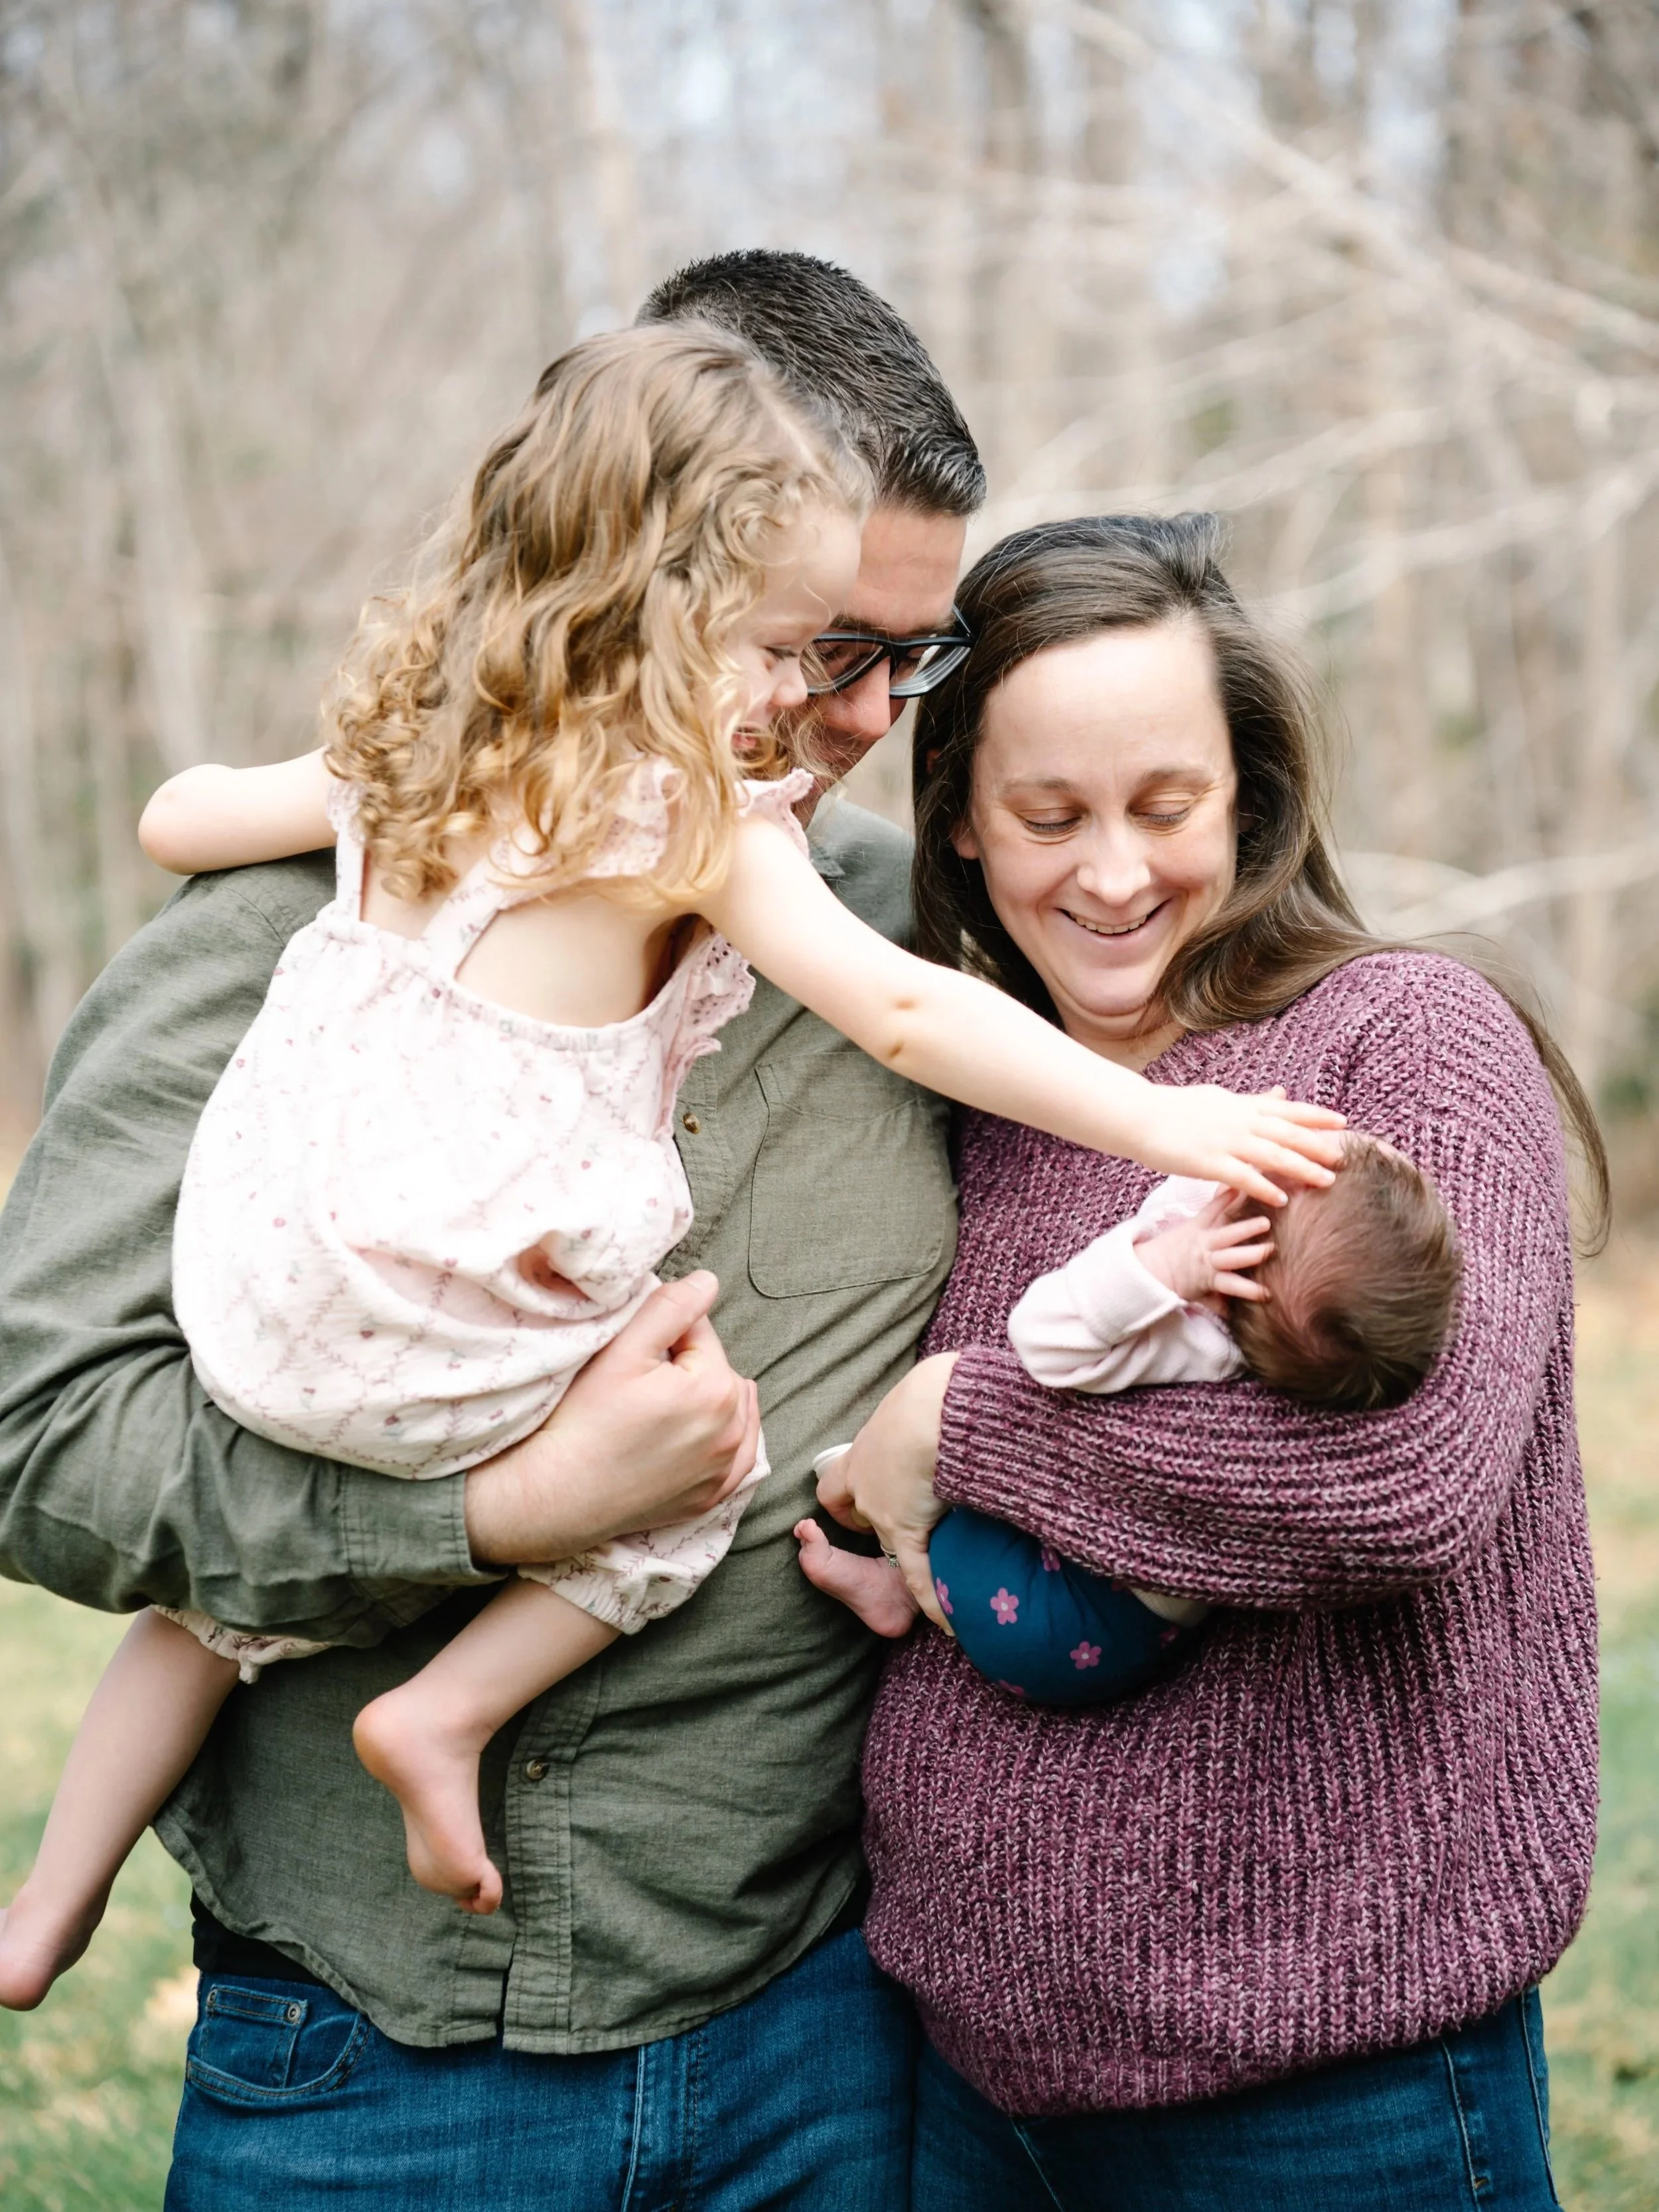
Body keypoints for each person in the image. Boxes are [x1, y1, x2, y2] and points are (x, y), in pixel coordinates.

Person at [0, 323, 1339, 1999]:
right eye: (799, 645)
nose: (830, 707)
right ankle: (444, 1713)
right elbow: (903, 1013)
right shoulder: (705, 822)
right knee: (685, 1469)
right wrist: (1162, 1125)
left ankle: (47, 1900)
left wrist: (344, 818)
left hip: (281, 1287)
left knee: (207, 1621)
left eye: (898, 660)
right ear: (675, 607)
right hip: (448, 1341)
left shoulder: (435, 753)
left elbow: (180, 813)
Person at [0, 251, 986, 2211]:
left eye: (917, 651)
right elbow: (44, 1443)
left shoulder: (918, 937)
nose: (872, 715)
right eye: (827, 647)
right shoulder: (304, 922)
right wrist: (485, 1515)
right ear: (660, 577)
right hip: (365, 2058)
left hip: (816, 2029)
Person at [820, 511, 1602, 2209]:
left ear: (1246, 795)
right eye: (1050, 816)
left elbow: (1404, 1480)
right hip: (964, 2089)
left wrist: (955, 1420)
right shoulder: (963, 1097)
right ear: (956, 816)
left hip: (1330, 2102)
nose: (1112, 874)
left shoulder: (1399, 1039)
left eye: (1165, 805)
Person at [799, 1138, 1463, 1703]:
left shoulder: (1186, 1336)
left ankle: (899, 1575)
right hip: (1120, 1608)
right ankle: (900, 1578)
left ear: (1230, 1270)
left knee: (946, 1515)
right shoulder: (1284, 1330)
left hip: (1073, 1618)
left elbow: (1040, 1337)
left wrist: (1159, 1267)